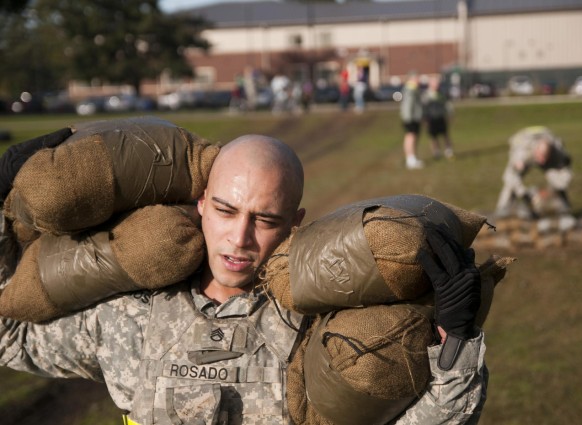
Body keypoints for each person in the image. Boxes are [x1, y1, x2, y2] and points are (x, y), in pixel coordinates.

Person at [0, 131, 488, 424]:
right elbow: (10, 334)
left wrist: (456, 342)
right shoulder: (131, 314)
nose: (239, 238)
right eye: (226, 210)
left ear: (294, 224)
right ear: (201, 206)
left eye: (265, 219)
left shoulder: (316, 329)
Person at [495, 126, 572, 219]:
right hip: (524, 148)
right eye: (540, 157)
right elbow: (510, 177)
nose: (542, 161)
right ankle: (502, 209)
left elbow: (565, 174)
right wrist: (524, 194)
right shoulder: (522, 152)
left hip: (549, 150)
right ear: (536, 150)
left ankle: (564, 210)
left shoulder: (558, 149)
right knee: (510, 184)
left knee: (557, 181)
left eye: (545, 157)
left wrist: (551, 190)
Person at [422, 75, 454, 160]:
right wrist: (424, 118)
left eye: (437, 83)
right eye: (435, 83)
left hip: (441, 117)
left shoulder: (442, 94)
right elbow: (424, 108)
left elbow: (448, 105)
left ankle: (448, 150)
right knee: (433, 136)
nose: (437, 85)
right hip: (431, 118)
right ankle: (436, 152)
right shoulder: (426, 95)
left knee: (445, 134)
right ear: (430, 84)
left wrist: (450, 114)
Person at [400, 72, 425, 170]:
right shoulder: (410, 89)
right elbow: (408, 105)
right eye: (417, 78)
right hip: (410, 118)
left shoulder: (413, 88)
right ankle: (410, 159)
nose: (419, 80)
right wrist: (408, 118)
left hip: (414, 117)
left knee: (414, 137)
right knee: (410, 137)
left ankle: (413, 157)